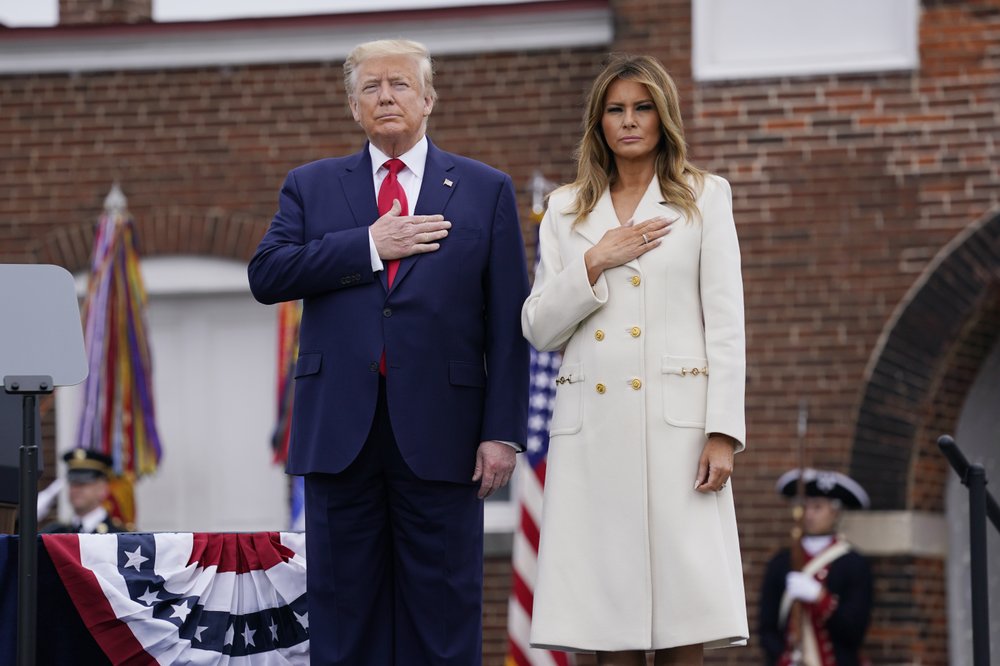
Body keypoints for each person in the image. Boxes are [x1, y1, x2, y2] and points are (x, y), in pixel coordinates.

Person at [247, 39, 530, 665]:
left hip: (446, 436)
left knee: (444, 614)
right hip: (340, 435)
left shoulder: (486, 189)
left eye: (400, 84)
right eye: (371, 87)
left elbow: (508, 323)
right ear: (353, 107)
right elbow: (267, 276)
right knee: (345, 615)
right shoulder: (311, 186)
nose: (386, 97)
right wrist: (368, 245)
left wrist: (503, 432)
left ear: (428, 99)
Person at [521, 54, 748, 665]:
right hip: (593, 437)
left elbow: (726, 323)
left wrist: (723, 432)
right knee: (606, 624)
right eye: (615, 109)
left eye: (642, 107)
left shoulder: (704, 197)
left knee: (683, 619)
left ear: (663, 116)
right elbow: (538, 326)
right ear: (598, 123)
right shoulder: (567, 211)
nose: (629, 121)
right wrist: (595, 260)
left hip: (677, 435)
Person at [759, 468, 873, 666]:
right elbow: (767, 628)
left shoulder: (853, 563)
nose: (809, 514)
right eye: (805, 506)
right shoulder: (782, 562)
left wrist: (820, 598)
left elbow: (854, 630)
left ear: (835, 512)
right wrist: (784, 659)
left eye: (818, 507)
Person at [42, 448, 127, 534]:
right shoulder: (55, 533)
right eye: (73, 483)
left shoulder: (119, 536)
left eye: (84, 483)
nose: (77, 489)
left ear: (102, 488)